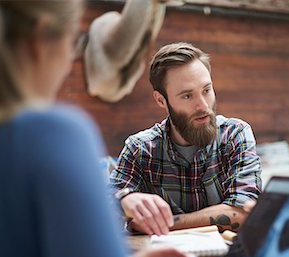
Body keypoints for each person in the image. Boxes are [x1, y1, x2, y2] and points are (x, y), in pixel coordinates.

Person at [0, 1, 236, 257]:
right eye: (74, 40)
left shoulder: (235, 133)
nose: (68, 59)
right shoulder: (55, 135)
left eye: (206, 90)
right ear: (41, 39)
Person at [110, 42, 262, 235]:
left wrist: (161, 224)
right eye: (187, 96)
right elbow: (103, 206)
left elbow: (242, 214)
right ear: (161, 100)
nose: (203, 105)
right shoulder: (140, 149)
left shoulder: (235, 135)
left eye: (206, 90)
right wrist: (124, 199)